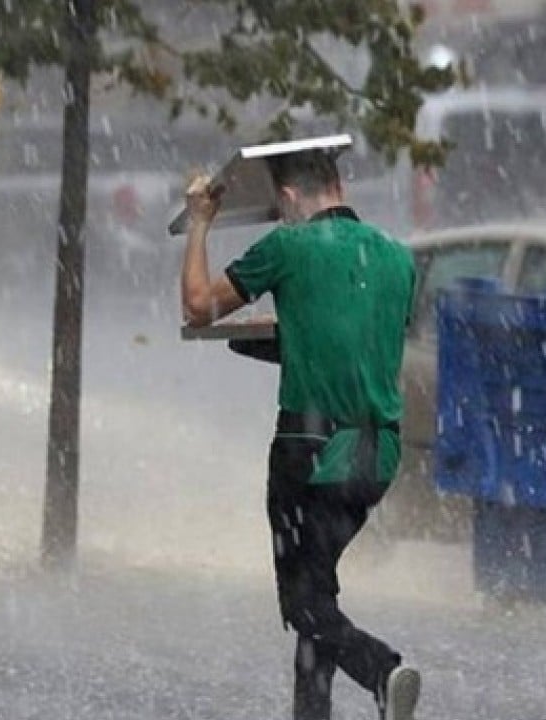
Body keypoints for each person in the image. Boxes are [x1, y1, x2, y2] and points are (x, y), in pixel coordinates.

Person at [180, 149, 421, 720]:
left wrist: (199, 224)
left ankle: (383, 671)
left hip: (309, 453)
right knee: (319, 595)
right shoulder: (398, 259)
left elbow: (197, 307)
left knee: (305, 604)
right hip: (377, 457)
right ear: (339, 183)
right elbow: (351, 344)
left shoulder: (288, 248)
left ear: (287, 197)